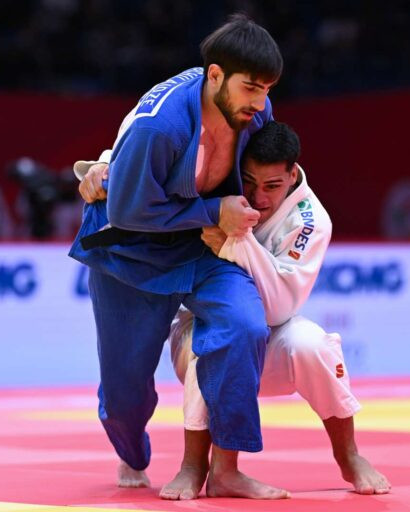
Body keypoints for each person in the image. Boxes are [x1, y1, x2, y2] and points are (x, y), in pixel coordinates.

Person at [80, 122, 391, 499]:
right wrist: (106, 164)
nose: (258, 197)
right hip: (189, 308)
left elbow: (277, 309)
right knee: (175, 359)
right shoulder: (221, 175)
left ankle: (349, 455)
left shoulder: (309, 220)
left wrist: (236, 242)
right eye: (249, 182)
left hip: (268, 331)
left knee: (313, 346)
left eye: (272, 186)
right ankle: (173, 461)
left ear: (293, 174)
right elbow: (167, 157)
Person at [70, 15, 289, 499]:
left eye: (267, 89)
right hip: (131, 250)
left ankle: (226, 468)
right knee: (125, 395)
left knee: (244, 326)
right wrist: (213, 208)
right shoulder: (163, 125)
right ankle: (131, 450)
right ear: (215, 75)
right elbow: (127, 212)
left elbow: (271, 167)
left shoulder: (256, 112)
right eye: (251, 88)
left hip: (203, 244)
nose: (259, 103)